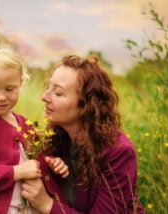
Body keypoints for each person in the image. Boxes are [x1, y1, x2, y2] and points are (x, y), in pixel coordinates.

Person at [0, 29, 68, 214]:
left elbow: (35, 159)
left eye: (10, 89)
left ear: (20, 84)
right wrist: (16, 172)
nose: (2, 97)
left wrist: (53, 163)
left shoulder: (23, 123)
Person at [21, 55, 145, 213]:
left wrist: (47, 205)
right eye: (48, 87)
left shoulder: (118, 152)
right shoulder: (54, 140)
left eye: (58, 93)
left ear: (86, 105)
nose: (44, 97)